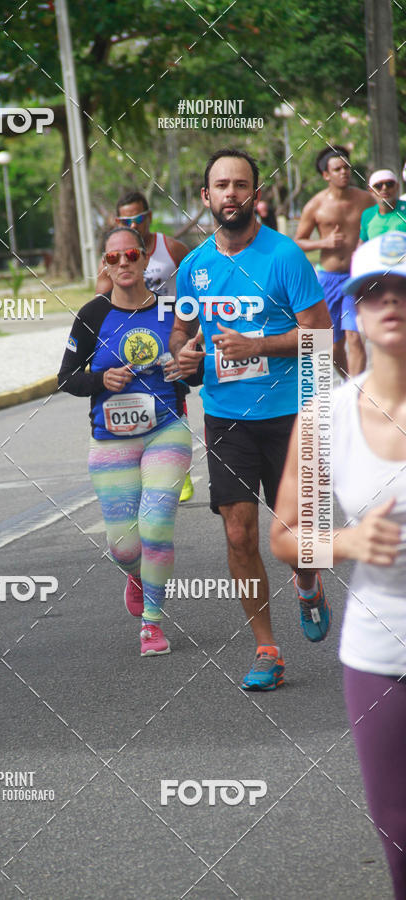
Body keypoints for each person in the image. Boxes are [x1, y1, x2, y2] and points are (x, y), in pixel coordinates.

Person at [271, 231, 406, 897]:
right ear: (353, 308)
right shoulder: (327, 417)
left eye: (403, 289)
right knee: (398, 831)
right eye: (373, 291)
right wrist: (347, 545)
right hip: (378, 650)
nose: (390, 302)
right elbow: (287, 537)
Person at [170, 147, 333, 691]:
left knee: (295, 539)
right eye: (222, 185)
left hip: (290, 412)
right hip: (226, 417)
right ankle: (267, 647)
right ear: (206, 196)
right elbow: (181, 336)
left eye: (241, 185)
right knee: (239, 532)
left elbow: (320, 335)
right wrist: (187, 358)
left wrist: (257, 343)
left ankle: (307, 583)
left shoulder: (284, 256)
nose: (231, 194)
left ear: (255, 195)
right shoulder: (194, 268)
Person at [59, 225, 199, 656]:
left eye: (131, 256)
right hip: (110, 439)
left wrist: (186, 369)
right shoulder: (92, 315)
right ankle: (136, 575)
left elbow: (200, 366)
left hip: (165, 430)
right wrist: (101, 378)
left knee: (156, 528)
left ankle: (152, 624)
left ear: (144, 260)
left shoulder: (174, 310)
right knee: (124, 548)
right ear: (106, 264)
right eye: (114, 258)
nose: (123, 264)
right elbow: (66, 378)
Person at [96, 191, 196, 502]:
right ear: (116, 221)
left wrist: (187, 317)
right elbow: (99, 297)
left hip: (168, 324)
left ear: (148, 217)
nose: (133, 224)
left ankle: (177, 460)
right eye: (125, 220)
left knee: (172, 387)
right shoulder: (115, 255)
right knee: (138, 393)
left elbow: (192, 278)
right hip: (132, 332)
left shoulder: (171, 247)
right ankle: (146, 460)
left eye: (138, 218)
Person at [295, 145, 374, 376]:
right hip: (328, 278)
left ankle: (358, 391)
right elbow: (298, 241)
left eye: (347, 167)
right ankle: (349, 383)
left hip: (355, 277)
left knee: (354, 336)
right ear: (326, 175)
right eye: (338, 168)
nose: (344, 172)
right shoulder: (316, 205)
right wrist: (324, 243)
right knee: (332, 344)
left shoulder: (366, 200)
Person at [359, 169, 406, 243]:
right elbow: (362, 246)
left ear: (397, 187)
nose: (384, 188)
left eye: (389, 184)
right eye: (378, 186)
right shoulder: (367, 214)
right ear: (371, 191)